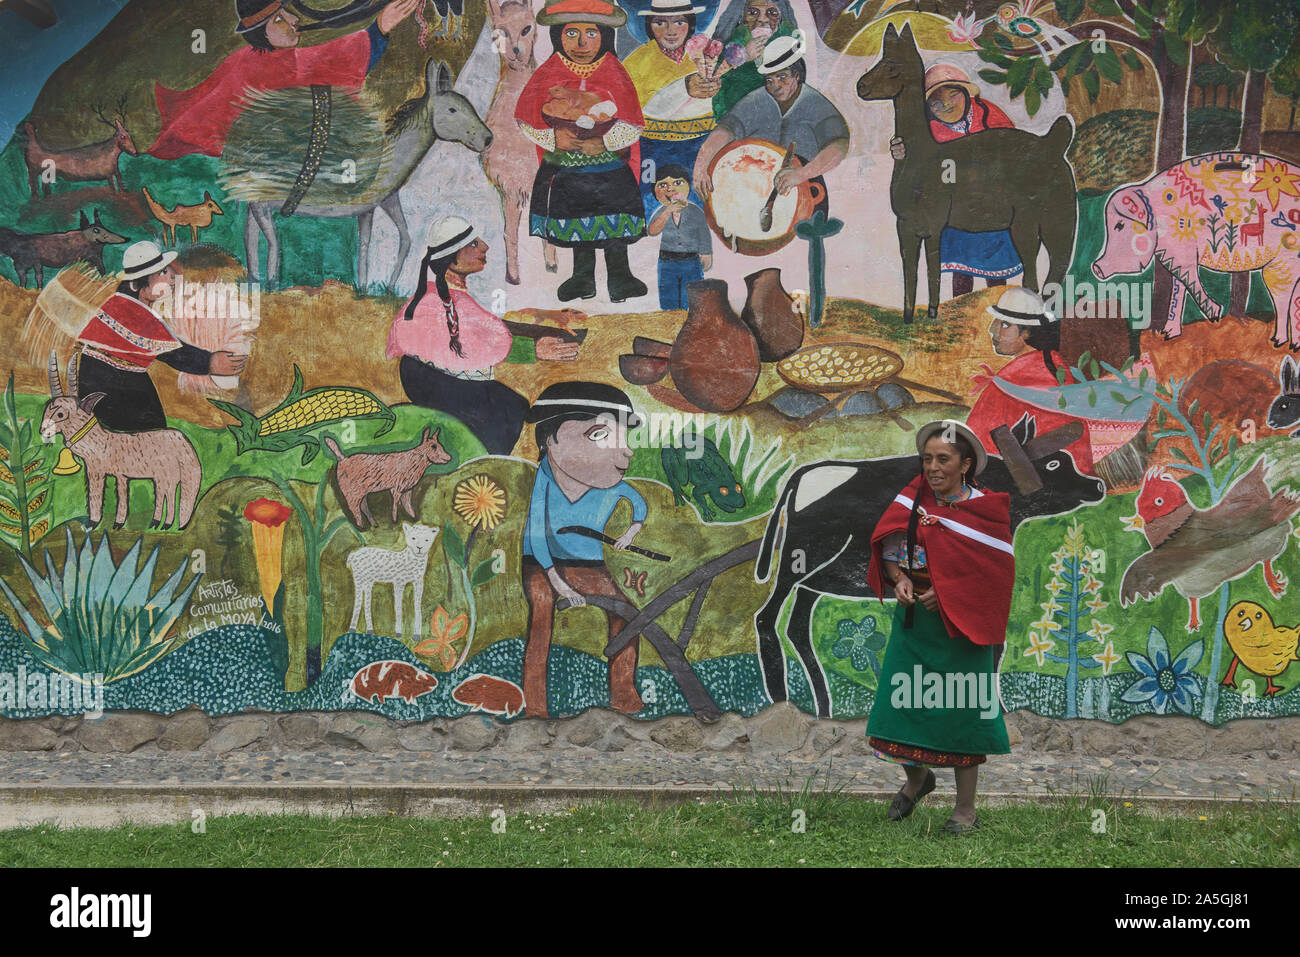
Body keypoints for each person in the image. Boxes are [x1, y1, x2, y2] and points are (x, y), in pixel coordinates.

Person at [865, 419, 1013, 835]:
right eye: (927, 459)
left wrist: (950, 597)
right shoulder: (912, 501)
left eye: (943, 459)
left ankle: (964, 810)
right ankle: (918, 780)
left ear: (965, 464)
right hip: (915, 622)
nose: (933, 467)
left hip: (963, 629)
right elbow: (889, 547)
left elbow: (994, 576)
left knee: (964, 712)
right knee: (902, 707)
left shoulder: (985, 511)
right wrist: (900, 579)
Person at [386, 216, 580, 455]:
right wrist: (533, 350)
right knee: (507, 408)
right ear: (451, 255)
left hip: (445, 379)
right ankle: (483, 464)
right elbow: (474, 342)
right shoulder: (432, 301)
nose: (485, 247)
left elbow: (486, 327)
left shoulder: (448, 294)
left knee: (513, 404)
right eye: (473, 244)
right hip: (437, 384)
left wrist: (544, 317)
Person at [148, 0, 422, 159]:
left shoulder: (248, 57)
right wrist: (380, 29)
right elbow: (332, 63)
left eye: (287, 12)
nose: (294, 20)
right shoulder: (270, 65)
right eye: (280, 18)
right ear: (261, 32)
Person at [521, 381, 649, 717]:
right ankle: (535, 705)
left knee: (627, 615)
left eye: (622, 439)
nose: (625, 451)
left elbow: (638, 503)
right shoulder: (545, 479)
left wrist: (632, 529)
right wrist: (558, 583)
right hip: (541, 565)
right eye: (599, 436)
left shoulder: (608, 483)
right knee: (541, 617)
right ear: (552, 440)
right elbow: (536, 536)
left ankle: (624, 696)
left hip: (590, 566)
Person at [514, 0, 648, 303]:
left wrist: (605, 142)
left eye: (591, 33)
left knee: (613, 221)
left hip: (610, 169)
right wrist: (553, 138)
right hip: (567, 169)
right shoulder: (549, 71)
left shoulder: (615, 71)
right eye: (572, 33)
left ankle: (620, 277)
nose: (582, 42)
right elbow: (526, 116)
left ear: (604, 34)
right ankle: (582, 278)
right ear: (559, 34)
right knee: (578, 221)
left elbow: (633, 122)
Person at [74, 241, 247, 432]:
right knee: (148, 433)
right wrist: (211, 362)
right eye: (162, 273)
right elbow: (174, 354)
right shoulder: (130, 313)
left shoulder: (122, 306)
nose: (172, 278)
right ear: (136, 284)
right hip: (112, 388)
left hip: (115, 380)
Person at [888, 64, 1020, 297]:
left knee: (996, 268)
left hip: (992, 207)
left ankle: (998, 303)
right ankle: (960, 309)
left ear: (966, 93)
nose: (947, 104)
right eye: (937, 101)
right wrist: (902, 154)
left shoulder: (990, 115)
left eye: (954, 94)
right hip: (955, 208)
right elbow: (916, 163)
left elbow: (1011, 148)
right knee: (962, 268)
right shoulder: (928, 130)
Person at [693, 32, 848, 216]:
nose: (775, 86)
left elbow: (839, 145)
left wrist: (802, 174)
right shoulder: (757, 100)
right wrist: (701, 166)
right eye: (769, 80)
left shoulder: (815, 104)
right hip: (756, 191)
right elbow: (726, 129)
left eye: (782, 77)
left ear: (797, 76)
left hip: (804, 191)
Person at [965, 287, 1095, 474]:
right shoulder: (1054, 363)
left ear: (1026, 333)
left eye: (1005, 324)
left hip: (1038, 476)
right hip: (1065, 472)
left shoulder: (1016, 375)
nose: (992, 330)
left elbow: (977, 437)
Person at [621, 0, 719, 213]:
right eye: (660, 23)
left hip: (700, 148)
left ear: (691, 24)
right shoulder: (637, 62)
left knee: (705, 207)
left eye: (679, 22)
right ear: (649, 25)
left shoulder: (706, 56)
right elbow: (627, 111)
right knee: (652, 209)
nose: (670, 31)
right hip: (653, 150)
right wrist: (683, 88)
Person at [709, 0, 798, 121]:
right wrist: (743, 56)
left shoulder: (788, 39)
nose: (763, 19)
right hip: (735, 115)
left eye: (772, 12)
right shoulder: (735, 40)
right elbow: (715, 77)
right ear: (742, 17)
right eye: (752, 12)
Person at [646, 164, 712, 309]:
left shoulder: (695, 211)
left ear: (688, 186)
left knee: (692, 296)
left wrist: (706, 252)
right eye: (663, 185)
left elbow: (703, 232)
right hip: (667, 261)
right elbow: (652, 230)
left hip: (691, 261)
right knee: (669, 297)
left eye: (677, 183)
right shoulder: (661, 212)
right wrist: (667, 212)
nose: (670, 189)